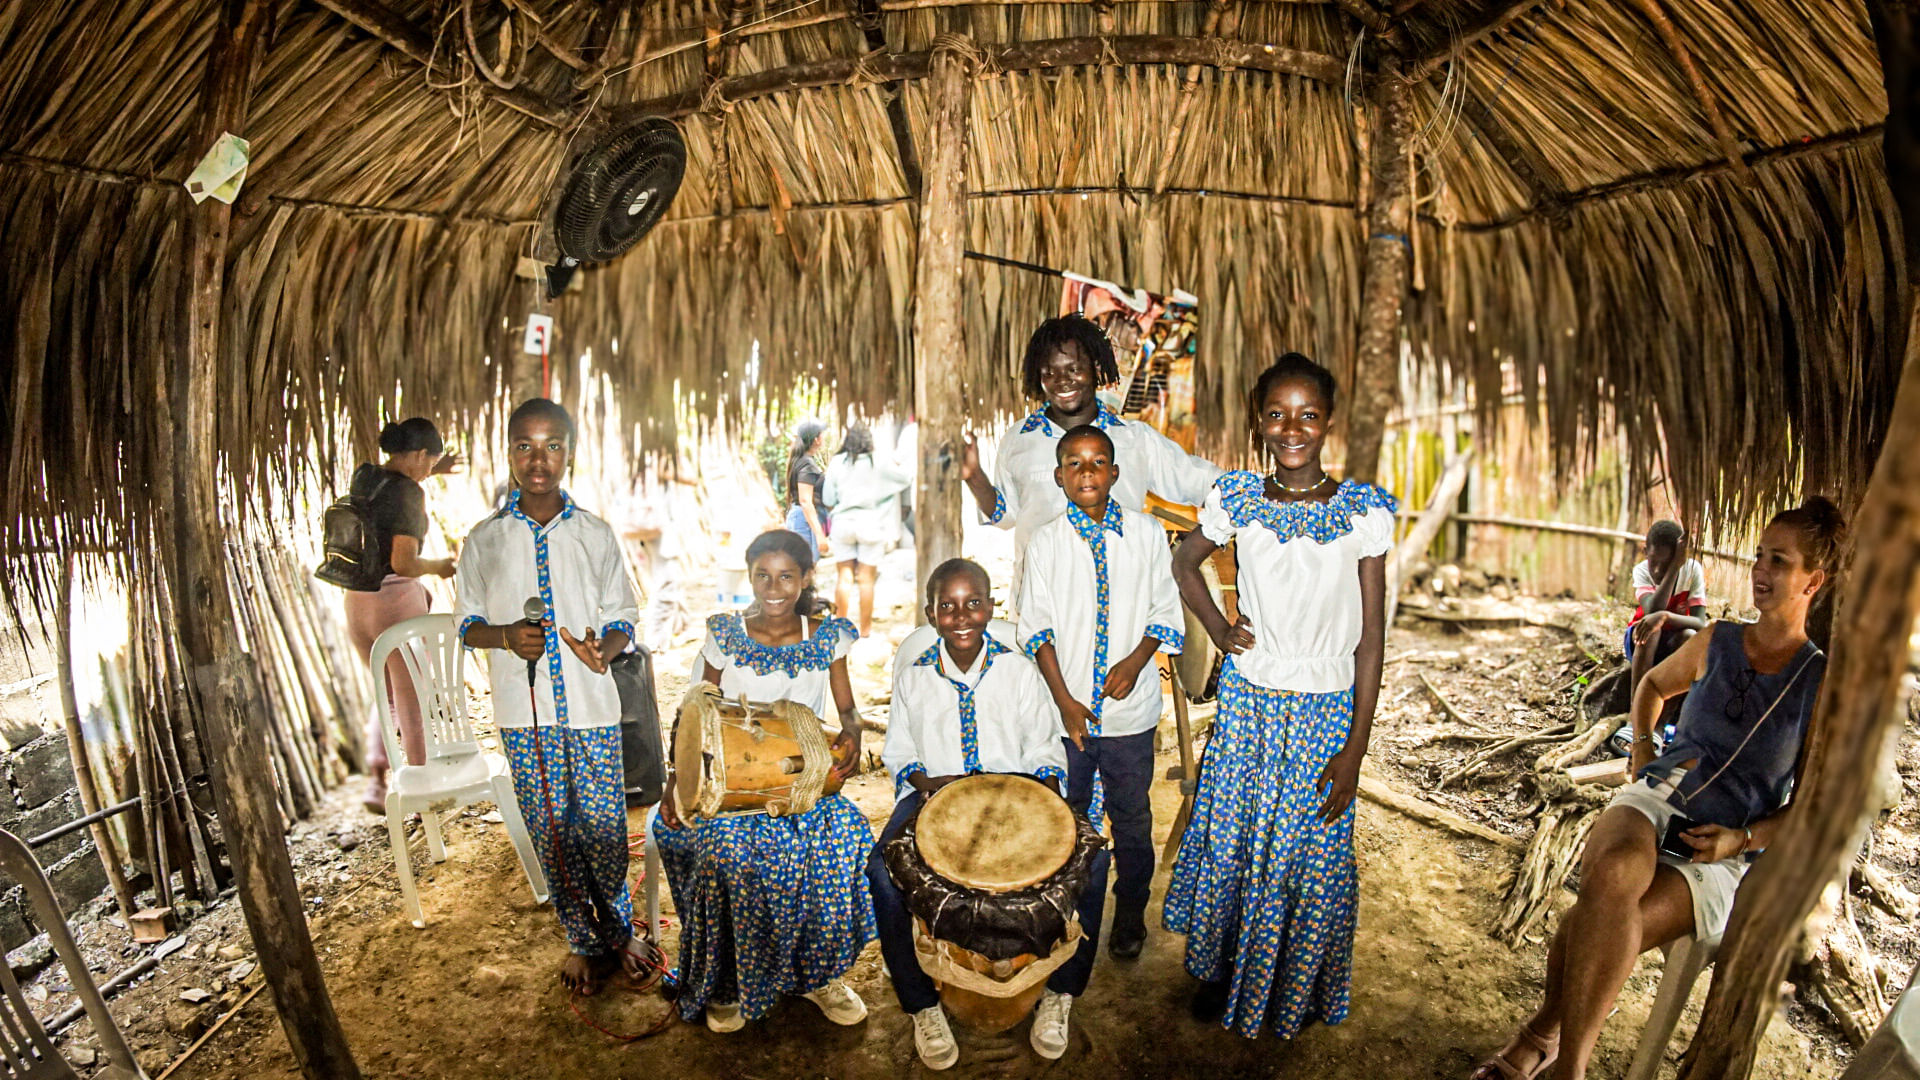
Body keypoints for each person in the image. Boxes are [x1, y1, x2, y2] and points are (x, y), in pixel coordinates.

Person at [1471, 497, 1842, 1080]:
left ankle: (1541, 1034)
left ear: (1813, 580)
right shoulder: (1718, 639)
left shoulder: (1817, 681)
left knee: (1594, 923)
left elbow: (1820, 806)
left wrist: (1741, 840)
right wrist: (1642, 749)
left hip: (1722, 843)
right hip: (1662, 792)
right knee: (1615, 873)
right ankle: (1571, 1069)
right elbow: (1649, 686)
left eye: (1780, 561)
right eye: (1760, 555)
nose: (1760, 571)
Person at [1162, 353, 1395, 1038]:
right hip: (1251, 704)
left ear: (1328, 422)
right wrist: (1218, 626)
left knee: (1309, 849)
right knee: (1238, 840)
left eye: (1308, 415)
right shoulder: (1239, 500)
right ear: (1260, 421)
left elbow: (1372, 642)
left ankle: (1299, 982)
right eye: (1277, 414)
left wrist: (1356, 749)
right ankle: (1224, 965)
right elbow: (1183, 561)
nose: (1292, 427)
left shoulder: (1362, 514)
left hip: (1325, 712)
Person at [452, 399, 646, 996]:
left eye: (553, 445)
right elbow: (467, 624)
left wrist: (604, 652)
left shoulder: (594, 533)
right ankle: (583, 941)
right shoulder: (484, 540)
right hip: (523, 715)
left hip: (592, 710)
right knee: (553, 832)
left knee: (606, 829)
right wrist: (505, 637)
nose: (539, 460)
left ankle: (617, 929)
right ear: (508, 452)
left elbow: (624, 615)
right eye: (525, 446)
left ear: (570, 452)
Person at [652, 529, 873, 1032]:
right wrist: (674, 781)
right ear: (749, 575)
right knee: (725, 851)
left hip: (801, 789)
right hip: (731, 792)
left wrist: (853, 737)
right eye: (762, 576)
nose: (773, 588)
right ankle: (725, 982)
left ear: (804, 578)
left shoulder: (827, 636)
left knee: (842, 838)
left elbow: (848, 710)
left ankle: (816, 976)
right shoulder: (725, 634)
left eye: (786, 576)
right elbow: (692, 713)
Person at [1015, 424, 1183, 1052]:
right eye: (1074, 463)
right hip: (1070, 717)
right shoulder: (1048, 544)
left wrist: (1137, 660)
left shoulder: (1144, 534)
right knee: (1067, 819)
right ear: (1060, 476)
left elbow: (1165, 613)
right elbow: (1036, 628)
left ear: (1115, 472)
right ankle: (1069, 921)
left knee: (1132, 818)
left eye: (1098, 462)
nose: (1087, 472)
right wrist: (1064, 701)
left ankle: (1130, 915)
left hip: (1131, 715)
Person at [869, 558, 1067, 1071]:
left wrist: (1041, 800)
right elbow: (900, 750)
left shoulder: (1018, 671)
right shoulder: (914, 679)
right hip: (937, 794)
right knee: (882, 873)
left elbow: (1044, 747)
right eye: (948, 606)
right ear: (931, 613)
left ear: (990, 607)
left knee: (1087, 862)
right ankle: (920, 1003)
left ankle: (1061, 994)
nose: (962, 617)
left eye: (973, 604)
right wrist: (928, 787)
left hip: (1014, 795)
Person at [960, 315, 1220, 596]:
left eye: (1073, 369)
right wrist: (974, 477)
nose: (1062, 381)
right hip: (1041, 605)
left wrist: (1253, 494)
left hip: (1121, 601)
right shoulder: (1019, 439)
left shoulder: (1134, 440)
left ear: (1096, 367)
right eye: (1050, 372)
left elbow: (1200, 481)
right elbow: (1004, 515)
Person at [344, 417, 459, 815]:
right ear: (419, 455)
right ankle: (424, 788)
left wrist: (433, 468)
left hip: (357, 602)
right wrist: (440, 566)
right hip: (393, 602)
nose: (430, 472)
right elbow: (404, 562)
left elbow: (385, 503)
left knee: (386, 693)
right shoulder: (409, 494)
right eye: (430, 462)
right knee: (413, 700)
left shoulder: (367, 476)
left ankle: (378, 783)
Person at [824, 422, 911, 637]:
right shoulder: (878, 462)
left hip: (843, 524)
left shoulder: (837, 462)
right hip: (871, 523)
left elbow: (828, 498)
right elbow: (904, 478)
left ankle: (841, 629)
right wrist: (883, 496)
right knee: (866, 580)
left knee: (844, 578)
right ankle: (865, 631)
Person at [1626, 520, 1710, 728]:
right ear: (1645, 551)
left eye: (1666, 564)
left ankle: (1661, 724)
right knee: (1652, 630)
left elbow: (1700, 622)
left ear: (1679, 558)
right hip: (1640, 641)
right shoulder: (1641, 571)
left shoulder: (1691, 571)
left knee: (1690, 636)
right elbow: (1653, 611)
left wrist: (1667, 617)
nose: (1657, 570)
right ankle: (1636, 716)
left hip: (1674, 645)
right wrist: (1673, 569)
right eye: (1654, 561)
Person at [783, 420, 832, 560]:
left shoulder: (802, 460)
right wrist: (819, 535)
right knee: (803, 570)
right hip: (804, 521)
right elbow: (805, 501)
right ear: (816, 440)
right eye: (821, 434)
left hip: (801, 518)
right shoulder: (807, 465)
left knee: (802, 571)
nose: (823, 437)